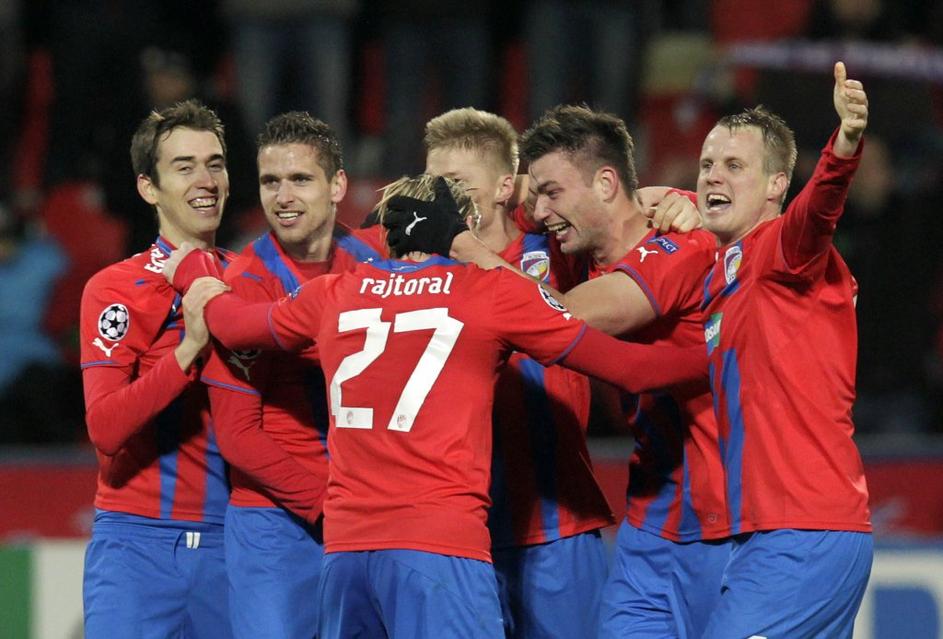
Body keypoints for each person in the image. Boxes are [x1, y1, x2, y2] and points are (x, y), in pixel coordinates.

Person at [165, 174, 708, 639]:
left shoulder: (332, 294)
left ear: (387, 232)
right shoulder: (489, 294)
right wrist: (721, 356)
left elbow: (232, 324)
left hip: (347, 553)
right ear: (461, 226)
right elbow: (631, 369)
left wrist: (192, 272)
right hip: (441, 549)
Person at [388, 105, 731, 638]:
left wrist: (462, 242)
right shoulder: (564, 241)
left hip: (691, 513)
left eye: (456, 184)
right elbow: (541, 185)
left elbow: (571, 315)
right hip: (610, 518)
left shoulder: (579, 252)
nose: (444, 199)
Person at [423, 107, 614, 638]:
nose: (442, 198)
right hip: (459, 535)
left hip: (557, 524)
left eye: (457, 182)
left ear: (507, 186)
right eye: (434, 184)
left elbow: (614, 206)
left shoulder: (554, 246)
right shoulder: (420, 269)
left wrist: (673, 200)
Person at [697, 61, 872, 637]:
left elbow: (818, 211)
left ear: (776, 185)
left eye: (734, 166)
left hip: (801, 532)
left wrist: (844, 146)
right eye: (707, 165)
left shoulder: (781, 249)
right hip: (780, 532)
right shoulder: (723, 273)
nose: (713, 176)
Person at [200, 111, 386, 639]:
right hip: (275, 523)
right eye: (270, 181)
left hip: (370, 511)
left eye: (300, 179)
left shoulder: (381, 263)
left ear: (337, 186)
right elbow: (239, 436)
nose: (283, 197)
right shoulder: (241, 286)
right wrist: (330, 506)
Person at [78, 99, 233, 638]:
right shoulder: (114, 290)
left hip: (233, 545)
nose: (206, 180)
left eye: (215, 164)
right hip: (137, 546)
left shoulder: (254, 283)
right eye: (184, 167)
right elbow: (105, 427)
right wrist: (189, 349)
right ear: (149, 187)